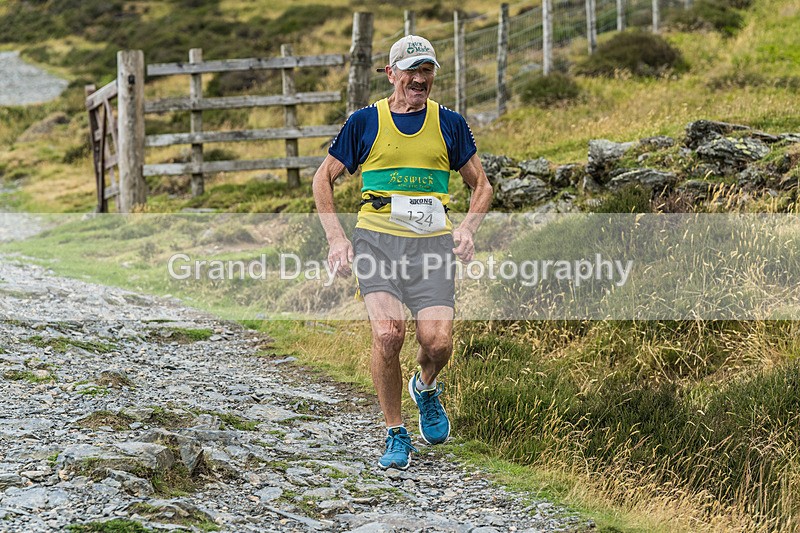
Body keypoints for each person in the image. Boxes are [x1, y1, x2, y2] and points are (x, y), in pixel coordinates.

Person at [312, 34, 492, 470]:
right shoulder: (364, 121)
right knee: (389, 333)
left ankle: (425, 386)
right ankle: (396, 433)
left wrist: (467, 228)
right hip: (377, 239)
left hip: (432, 244)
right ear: (391, 73)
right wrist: (337, 238)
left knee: (438, 343)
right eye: (410, 70)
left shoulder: (449, 123)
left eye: (426, 70)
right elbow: (323, 180)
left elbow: (481, 185)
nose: (419, 78)